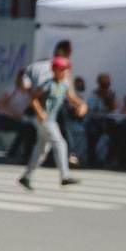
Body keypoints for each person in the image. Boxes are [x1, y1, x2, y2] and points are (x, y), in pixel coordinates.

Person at [20, 45, 84, 189]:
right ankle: (65, 176)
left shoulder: (64, 85)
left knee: (41, 149)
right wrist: (40, 112)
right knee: (60, 144)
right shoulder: (48, 85)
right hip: (44, 119)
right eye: (62, 70)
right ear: (55, 71)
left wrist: (82, 105)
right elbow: (33, 98)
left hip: (51, 119)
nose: (64, 73)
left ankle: (26, 177)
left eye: (65, 70)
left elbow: (73, 97)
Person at [0, 69, 36, 161]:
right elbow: (0, 105)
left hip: (18, 119)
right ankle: (13, 152)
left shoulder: (30, 94)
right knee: (24, 128)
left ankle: (25, 154)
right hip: (4, 118)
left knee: (29, 129)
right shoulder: (12, 90)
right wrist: (13, 114)